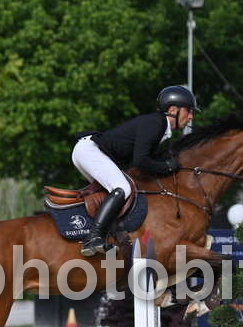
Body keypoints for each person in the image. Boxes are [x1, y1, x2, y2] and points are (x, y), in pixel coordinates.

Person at [72, 85, 198, 256]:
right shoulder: (156, 123)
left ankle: (107, 233)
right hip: (90, 151)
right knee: (122, 188)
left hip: (91, 151)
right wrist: (167, 167)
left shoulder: (160, 126)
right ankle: (93, 238)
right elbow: (141, 160)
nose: (191, 116)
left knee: (114, 192)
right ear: (173, 110)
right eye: (188, 111)